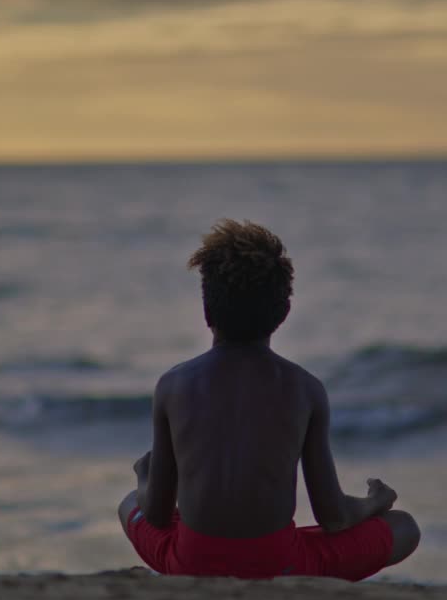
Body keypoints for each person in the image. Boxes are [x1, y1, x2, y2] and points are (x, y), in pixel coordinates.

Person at [117, 219, 420, 580]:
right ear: (283, 313)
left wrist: (144, 479)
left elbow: (156, 515)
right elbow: (334, 517)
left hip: (191, 563)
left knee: (127, 505)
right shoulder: (305, 388)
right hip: (281, 566)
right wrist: (375, 503)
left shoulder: (173, 384)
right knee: (405, 527)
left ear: (206, 311)